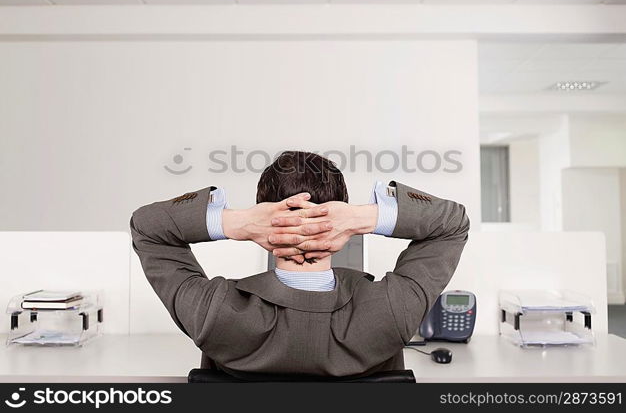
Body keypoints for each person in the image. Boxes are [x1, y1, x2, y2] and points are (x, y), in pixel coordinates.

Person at [130, 151, 469, 377]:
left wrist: (240, 223)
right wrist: (362, 218)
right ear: (343, 217)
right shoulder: (392, 311)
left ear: (265, 213)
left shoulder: (213, 313)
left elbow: (147, 226)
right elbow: (452, 224)